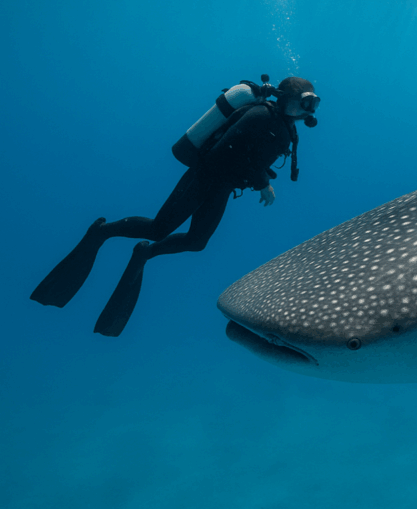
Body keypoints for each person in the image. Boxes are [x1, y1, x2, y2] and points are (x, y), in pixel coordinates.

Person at [31, 76, 321, 337]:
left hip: (221, 186)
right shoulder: (261, 114)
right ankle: (102, 231)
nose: (309, 110)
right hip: (202, 176)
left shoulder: (285, 128)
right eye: (305, 102)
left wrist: (258, 177)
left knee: (197, 242)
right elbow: (228, 148)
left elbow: (252, 155)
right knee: (159, 228)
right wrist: (261, 182)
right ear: (286, 98)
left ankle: (145, 252)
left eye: (313, 103)